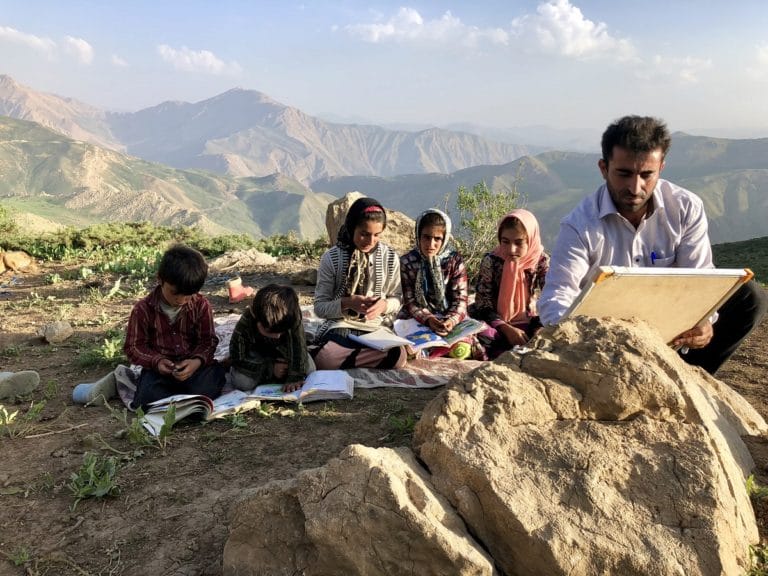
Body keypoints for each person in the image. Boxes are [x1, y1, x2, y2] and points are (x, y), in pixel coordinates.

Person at [539, 115, 768, 375]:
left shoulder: (685, 207)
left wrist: (704, 322)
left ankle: (693, 379)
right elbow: (555, 298)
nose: (635, 187)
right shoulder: (579, 225)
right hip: (608, 344)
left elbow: (700, 276)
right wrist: (582, 335)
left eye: (646, 175)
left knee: (750, 297)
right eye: (623, 174)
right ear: (603, 168)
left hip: (671, 334)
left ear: (661, 168)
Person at [124, 244, 225, 410]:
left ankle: (183, 393)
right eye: (175, 293)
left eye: (188, 295)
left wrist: (196, 362)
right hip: (160, 370)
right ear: (160, 279)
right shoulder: (143, 309)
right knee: (146, 399)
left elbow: (207, 341)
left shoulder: (201, 305)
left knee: (208, 384)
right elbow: (134, 346)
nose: (181, 300)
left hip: (193, 367)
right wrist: (157, 361)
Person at [313, 197, 408, 369]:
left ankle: (348, 359)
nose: (370, 241)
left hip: (375, 328)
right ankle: (357, 358)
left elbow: (398, 297)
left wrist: (384, 306)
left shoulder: (390, 257)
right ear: (352, 227)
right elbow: (320, 307)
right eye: (364, 234)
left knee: (399, 356)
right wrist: (347, 303)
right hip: (341, 325)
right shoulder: (332, 258)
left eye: (377, 235)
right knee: (326, 358)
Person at [469, 209, 549, 359]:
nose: (511, 249)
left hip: (529, 320)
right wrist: (505, 327)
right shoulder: (492, 260)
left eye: (519, 243)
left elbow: (550, 295)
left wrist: (539, 328)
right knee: (482, 335)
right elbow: (482, 303)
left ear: (530, 240)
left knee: (541, 337)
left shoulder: (540, 261)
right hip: (495, 322)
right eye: (505, 242)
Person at [398, 208, 472, 358]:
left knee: (461, 349)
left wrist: (451, 320)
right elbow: (410, 301)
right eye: (426, 237)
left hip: (448, 317)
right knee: (409, 350)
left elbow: (460, 298)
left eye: (437, 238)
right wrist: (429, 319)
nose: (431, 244)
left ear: (444, 239)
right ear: (418, 236)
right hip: (418, 317)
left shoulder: (454, 261)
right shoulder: (407, 262)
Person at [229, 284, 314, 393]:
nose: (278, 336)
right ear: (256, 318)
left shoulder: (291, 314)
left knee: (310, 369)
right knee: (242, 382)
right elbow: (237, 357)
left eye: (281, 332)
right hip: (257, 356)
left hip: (283, 352)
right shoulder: (247, 321)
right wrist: (270, 368)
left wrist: (295, 377)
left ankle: (277, 374)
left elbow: (298, 346)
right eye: (271, 331)